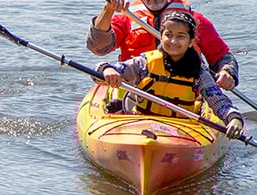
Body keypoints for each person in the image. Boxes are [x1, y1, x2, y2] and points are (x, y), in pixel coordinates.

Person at [86, 0, 239, 90]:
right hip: (135, 92)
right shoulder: (125, 19)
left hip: (186, 95)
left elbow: (223, 56)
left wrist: (226, 72)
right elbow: (98, 48)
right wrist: (108, 10)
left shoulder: (195, 21)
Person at [95, 11, 244, 139]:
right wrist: (107, 70)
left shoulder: (198, 73)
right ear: (161, 36)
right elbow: (102, 71)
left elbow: (218, 101)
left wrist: (234, 118)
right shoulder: (144, 63)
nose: (173, 41)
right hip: (140, 125)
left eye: (180, 36)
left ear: (191, 41)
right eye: (168, 35)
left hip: (181, 130)